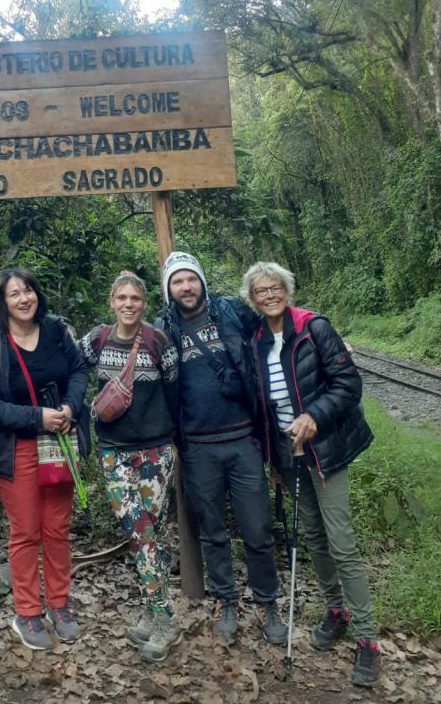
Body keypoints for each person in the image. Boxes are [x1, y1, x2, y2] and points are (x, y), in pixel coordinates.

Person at [240, 261, 382, 688]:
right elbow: (265, 409)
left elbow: (347, 383)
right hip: (289, 454)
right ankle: (335, 612)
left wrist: (313, 417)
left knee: (340, 540)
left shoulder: (313, 327)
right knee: (313, 537)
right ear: (252, 299)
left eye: (276, 287)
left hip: (327, 449)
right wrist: (274, 461)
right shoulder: (256, 340)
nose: (269, 295)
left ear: (287, 290)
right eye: (261, 290)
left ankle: (368, 640)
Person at [156, 251, 287, 646]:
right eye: (177, 282)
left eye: (190, 279)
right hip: (197, 448)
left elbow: (275, 329)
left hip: (243, 439)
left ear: (201, 281)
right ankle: (226, 601)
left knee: (258, 530)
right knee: (212, 532)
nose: (186, 287)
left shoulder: (230, 311)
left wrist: (317, 343)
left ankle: (268, 605)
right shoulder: (163, 328)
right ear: (169, 289)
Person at [0, 267, 89, 651]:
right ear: (2, 302)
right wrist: (37, 416)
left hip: (58, 444)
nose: (24, 299)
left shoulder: (56, 330)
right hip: (17, 447)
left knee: (57, 527)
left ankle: (59, 604)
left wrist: (71, 406)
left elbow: (77, 369)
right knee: (26, 531)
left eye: (28, 290)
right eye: (14, 294)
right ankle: (26, 611)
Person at [78, 271, 180, 663]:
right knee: (138, 530)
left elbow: (175, 392)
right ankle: (161, 612)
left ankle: (159, 615)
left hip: (154, 450)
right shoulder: (98, 341)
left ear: (143, 303)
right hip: (113, 451)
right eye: (121, 298)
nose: (128, 304)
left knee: (147, 532)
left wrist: (177, 444)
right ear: (112, 302)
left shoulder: (159, 342)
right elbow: (69, 364)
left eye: (135, 298)